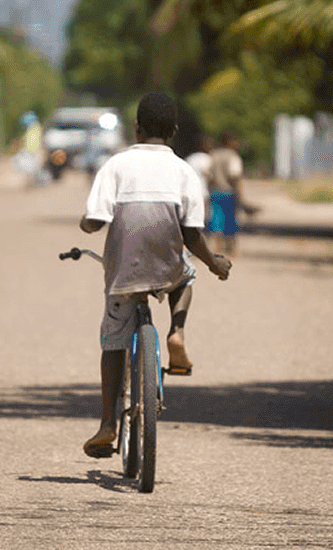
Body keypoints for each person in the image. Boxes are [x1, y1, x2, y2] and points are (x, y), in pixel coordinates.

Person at [79, 93, 232, 458]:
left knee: (113, 340)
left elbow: (96, 220)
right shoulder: (184, 171)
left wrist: (87, 224)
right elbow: (192, 234)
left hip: (123, 272)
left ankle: (107, 424)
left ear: (137, 128)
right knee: (188, 273)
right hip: (166, 266)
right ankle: (176, 332)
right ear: (175, 131)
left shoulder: (116, 166)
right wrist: (215, 264)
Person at [205, 131, 254, 258]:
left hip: (215, 192)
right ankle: (232, 248)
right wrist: (240, 194)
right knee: (230, 220)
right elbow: (235, 175)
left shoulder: (213, 155)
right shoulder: (233, 156)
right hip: (229, 192)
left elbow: (207, 173)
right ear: (230, 142)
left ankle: (218, 247)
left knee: (216, 219)